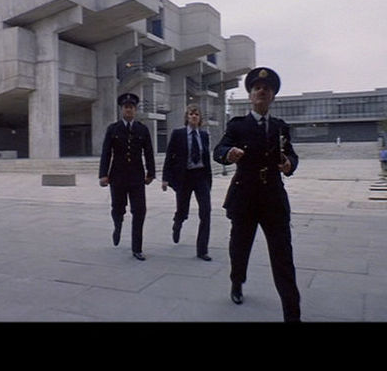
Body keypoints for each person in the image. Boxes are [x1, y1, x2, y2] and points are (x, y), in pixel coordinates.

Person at [213, 66, 301, 322]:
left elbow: (292, 154)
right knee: (239, 248)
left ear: (272, 96)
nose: (262, 91)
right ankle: (237, 281)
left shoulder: (280, 127)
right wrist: (227, 155)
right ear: (251, 95)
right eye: (257, 88)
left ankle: (292, 313)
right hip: (245, 199)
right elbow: (220, 148)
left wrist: (289, 165)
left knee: (283, 257)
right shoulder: (238, 125)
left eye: (267, 89)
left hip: (273, 199)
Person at [99, 93, 155, 261]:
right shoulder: (113, 129)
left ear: (135, 110)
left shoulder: (142, 129)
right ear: (121, 109)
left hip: (137, 177)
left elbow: (149, 153)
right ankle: (117, 226)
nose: (129, 110)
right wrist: (103, 174)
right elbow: (106, 153)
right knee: (118, 209)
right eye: (126, 107)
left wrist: (151, 173)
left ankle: (137, 248)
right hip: (117, 177)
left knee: (140, 211)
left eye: (131, 107)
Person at [161, 104, 213, 261]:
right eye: (191, 114)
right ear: (187, 117)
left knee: (206, 211)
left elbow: (206, 158)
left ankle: (202, 250)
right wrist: (165, 178)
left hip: (201, 177)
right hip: (184, 177)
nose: (194, 116)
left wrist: (208, 180)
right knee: (182, 210)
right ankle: (177, 224)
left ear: (200, 118)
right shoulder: (178, 134)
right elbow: (169, 156)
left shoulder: (204, 135)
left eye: (197, 114)